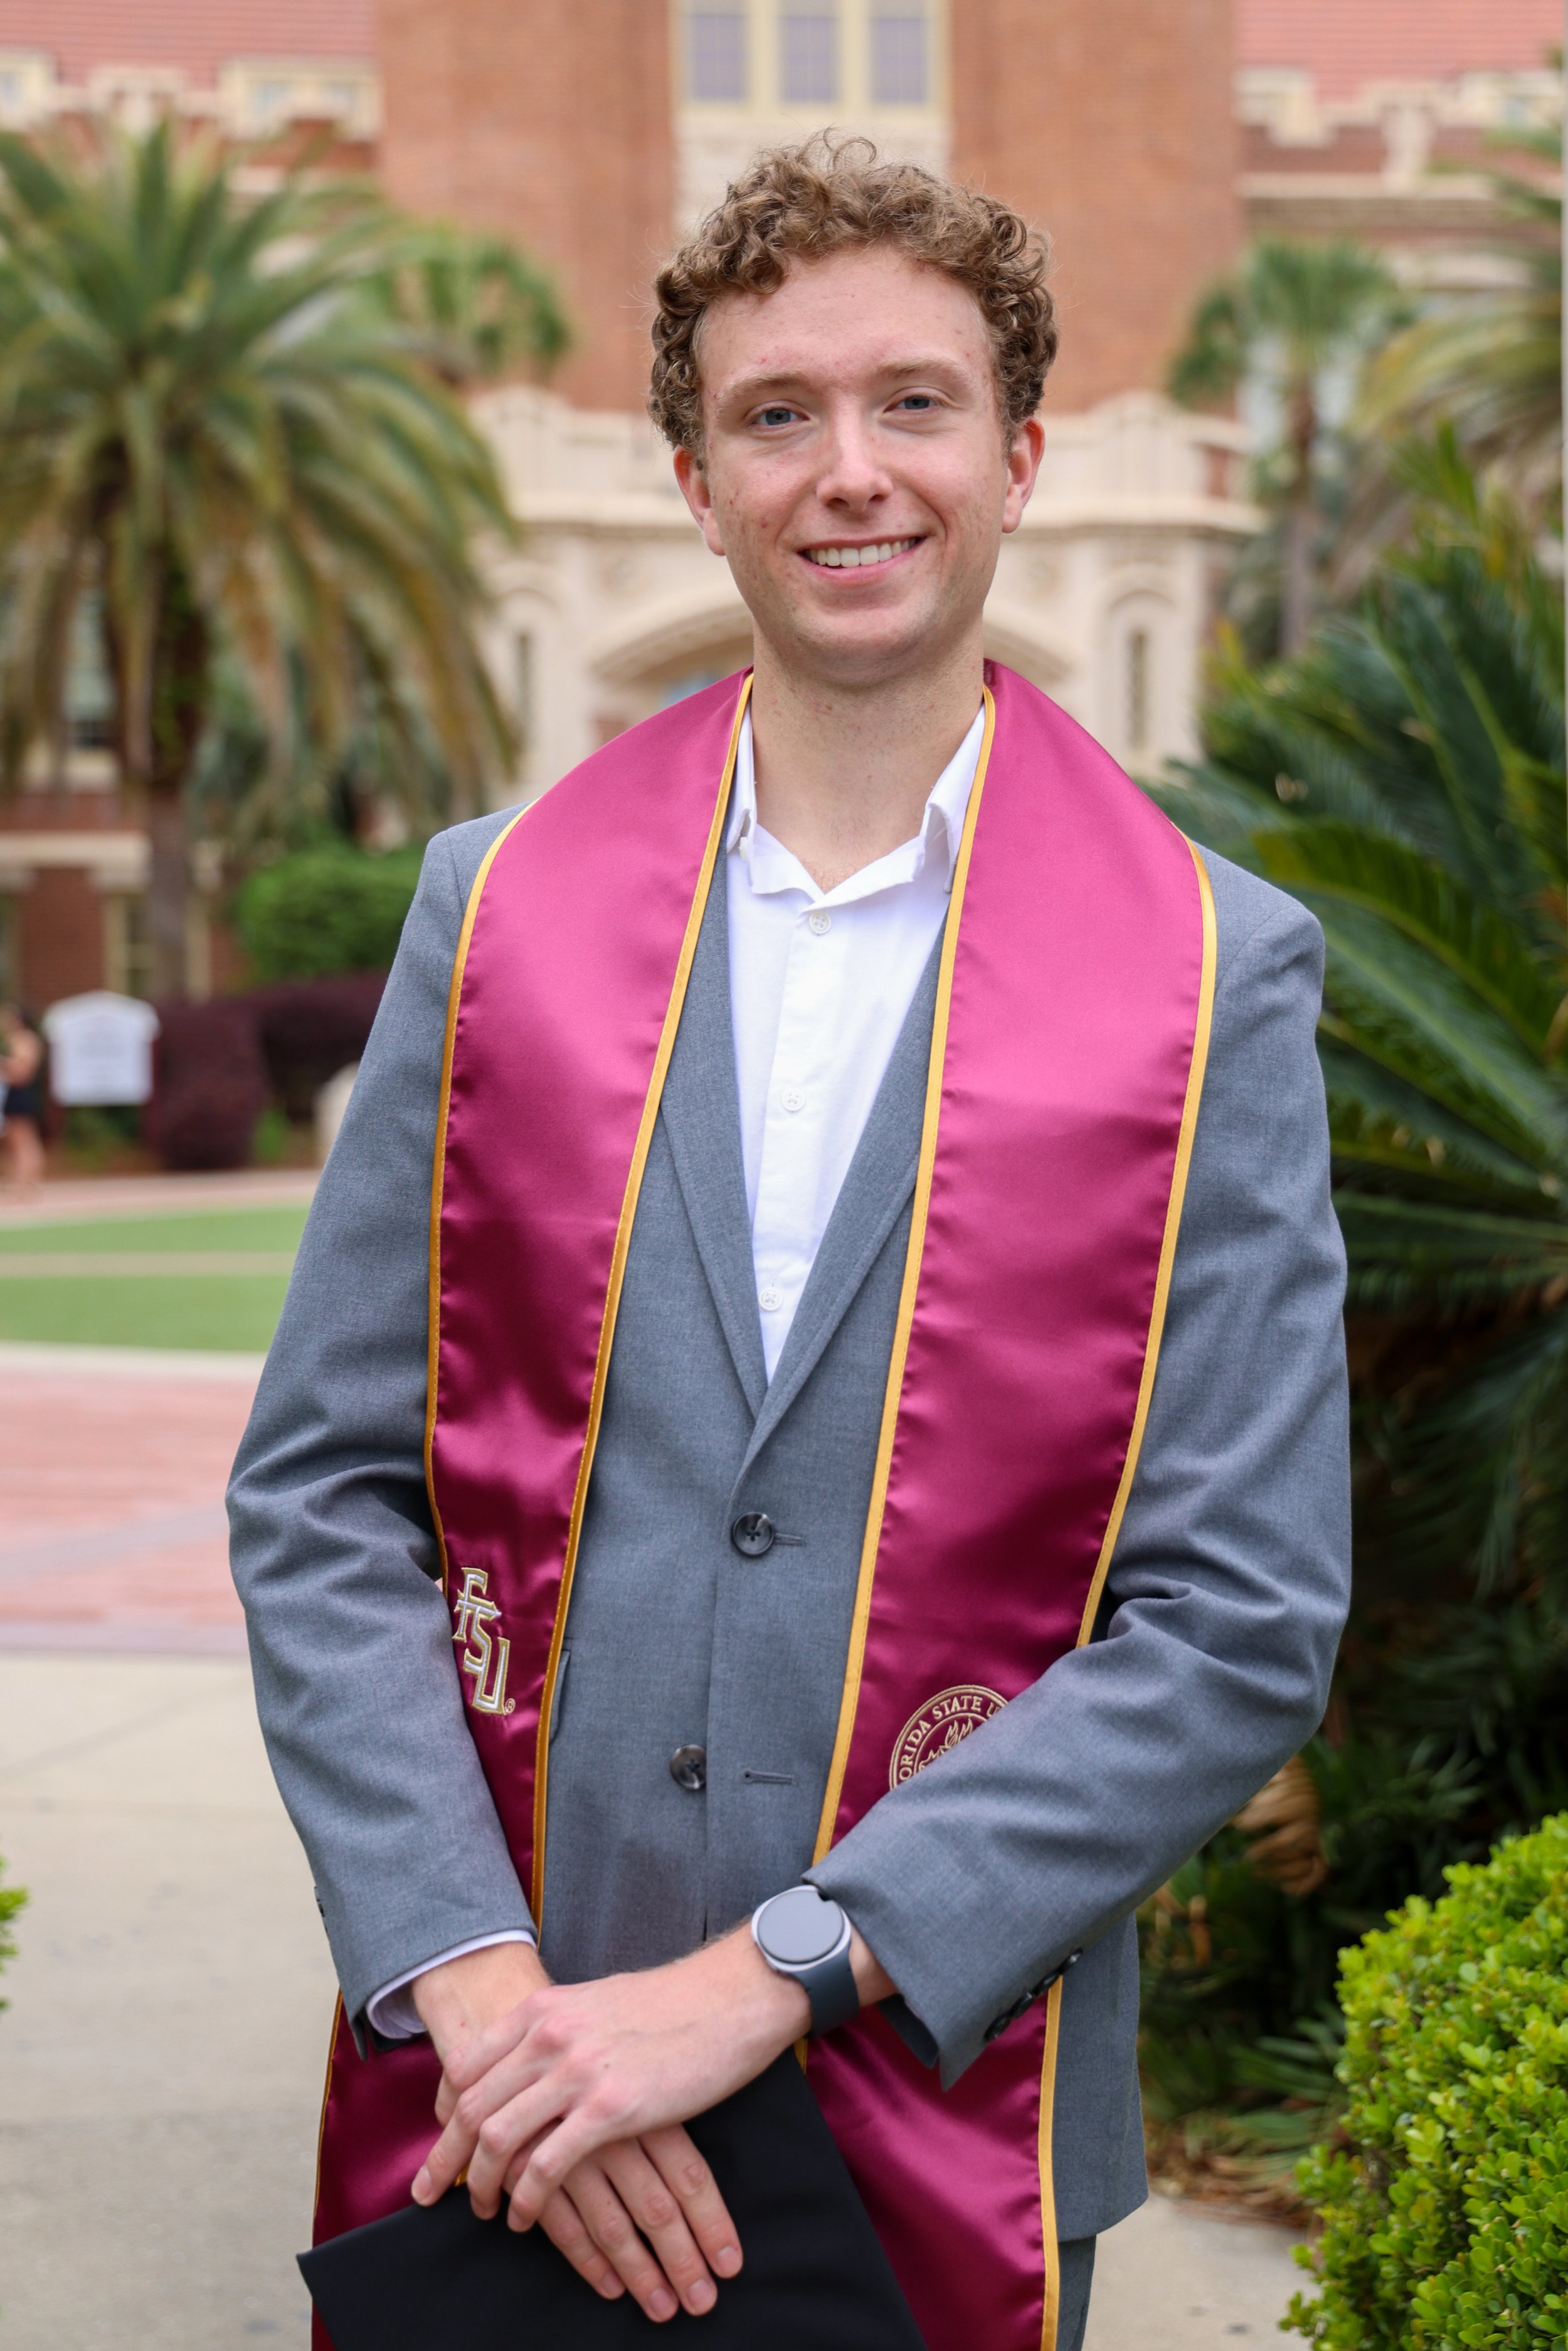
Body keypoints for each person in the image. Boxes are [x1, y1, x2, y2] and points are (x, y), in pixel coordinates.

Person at [229, 140, 1350, 2351]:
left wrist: (765, 1979)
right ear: (694, 479)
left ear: (1018, 459)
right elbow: (326, 1492)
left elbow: (1238, 1610)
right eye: (777, 414)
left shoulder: (1212, 969)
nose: (850, 470)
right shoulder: (499, 908)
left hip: (943, 2086)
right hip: (507, 2093)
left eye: (913, 402)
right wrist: (481, 1983)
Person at [0, 1007, 45, 1192]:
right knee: (17, 1140)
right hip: (15, 1093)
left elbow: (21, 1072)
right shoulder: (22, 1038)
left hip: (20, 1093)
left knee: (23, 1140)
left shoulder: (24, 1039)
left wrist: (4, 1063)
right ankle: (23, 1182)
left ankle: (27, 1183)